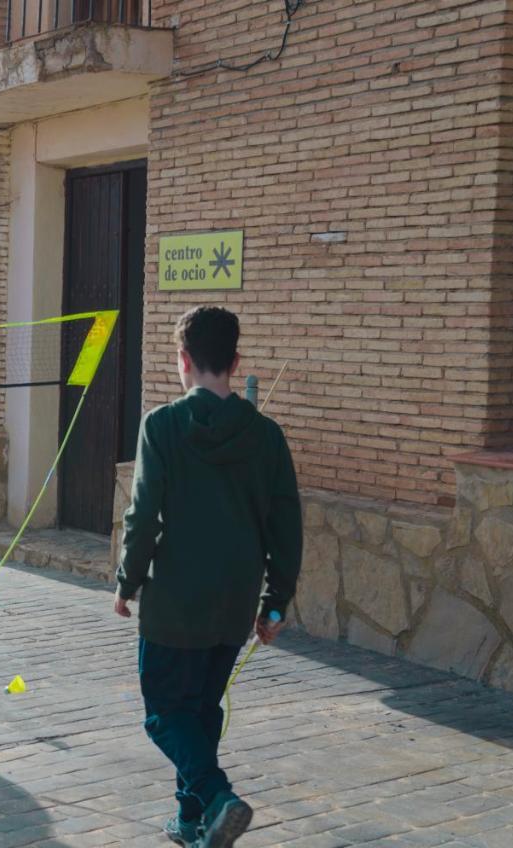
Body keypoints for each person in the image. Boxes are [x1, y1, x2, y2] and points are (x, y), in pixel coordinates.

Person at [115, 306, 301, 848]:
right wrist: (274, 604)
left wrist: (127, 582)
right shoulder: (267, 436)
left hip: (176, 601)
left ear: (184, 360)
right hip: (234, 605)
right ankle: (193, 821)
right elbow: (286, 528)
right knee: (200, 711)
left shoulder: (162, 426)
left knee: (165, 716)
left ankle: (219, 799)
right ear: (235, 360)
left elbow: (143, 514)